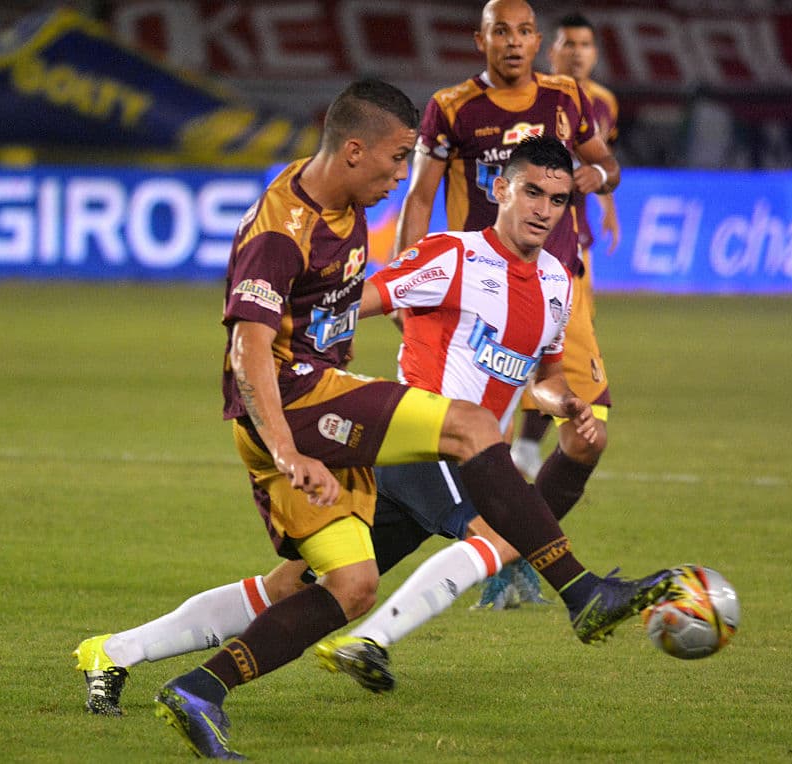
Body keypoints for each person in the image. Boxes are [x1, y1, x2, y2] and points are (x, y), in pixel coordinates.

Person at [134, 77, 666, 759]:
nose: (405, 175)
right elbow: (252, 345)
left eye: (559, 200)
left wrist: (566, 404)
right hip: (303, 400)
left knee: (347, 586)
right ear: (354, 150)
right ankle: (583, 594)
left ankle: (192, 687)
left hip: (335, 401)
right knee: (478, 450)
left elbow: (537, 372)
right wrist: (288, 451)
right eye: (397, 159)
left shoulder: (346, 201)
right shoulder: (295, 230)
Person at [395, 0, 620, 609]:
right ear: (481, 40)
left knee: (587, 435)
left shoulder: (567, 98)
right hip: (476, 293)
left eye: (524, 32)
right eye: (501, 32)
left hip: (556, 286)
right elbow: (419, 198)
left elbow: (608, 167)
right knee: (462, 434)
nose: (513, 43)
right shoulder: (451, 108)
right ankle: (503, 549)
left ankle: (510, 547)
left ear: (536, 40)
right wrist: (403, 277)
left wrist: (593, 181)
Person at [511, 11, 622, 482]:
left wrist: (607, 204)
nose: (577, 52)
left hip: (572, 244)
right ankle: (512, 442)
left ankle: (526, 445)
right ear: (550, 48)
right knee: (522, 344)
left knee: (557, 343)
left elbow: (602, 164)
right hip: (524, 244)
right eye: (569, 43)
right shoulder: (536, 97)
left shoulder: (602, 102)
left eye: (586, 44)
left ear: (595, 53)